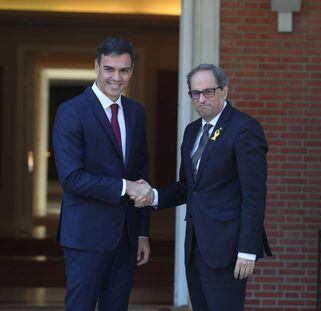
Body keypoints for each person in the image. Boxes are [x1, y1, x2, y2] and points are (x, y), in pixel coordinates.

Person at [132, 63, 272, 310]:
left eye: (208, 91)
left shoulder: (244, 129)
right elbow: (188, 187)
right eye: (195, 93)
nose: (201, 99)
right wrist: (153, 195)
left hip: (228, 251)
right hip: (195, 248)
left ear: (224, 91)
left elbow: (254, 195)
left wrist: (247, 251)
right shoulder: (192, 131)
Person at [53, 37, 152, 311]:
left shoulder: (136, 113)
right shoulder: (71, 112)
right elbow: (71, 178)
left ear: (131, 71)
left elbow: (141, 174)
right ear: (96, 66)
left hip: (127, 236)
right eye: (109, 69)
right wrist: (125, 187)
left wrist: (142, 232)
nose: (116, 77)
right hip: (85, 236)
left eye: (124, 70)